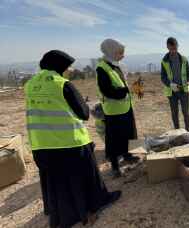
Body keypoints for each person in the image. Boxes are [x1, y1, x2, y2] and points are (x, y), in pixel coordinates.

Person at [25, 50, 121, 228]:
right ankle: (97, 202)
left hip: (41, 145)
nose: (69, 70)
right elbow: (84, 113)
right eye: (68, 67)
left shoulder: (30, 84)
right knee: (88, 177)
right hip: (69, 143)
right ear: (60, 66)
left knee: (58, 183)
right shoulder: (62, 84)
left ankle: (65, 215)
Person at [96, 39, 139, 178]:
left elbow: (121, 84)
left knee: (129, 133)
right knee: (114, 139)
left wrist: (131, 89)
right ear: (110, 52)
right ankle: (115, 166)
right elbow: (107, 91)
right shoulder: (102, 68)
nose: (123, 55)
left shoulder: (116, 66)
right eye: (120, 53)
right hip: (113, 110)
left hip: (125, 107)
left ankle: (128, 155)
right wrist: (126, 90)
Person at [161, 37, 189, 131]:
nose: (173, 51)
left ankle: (187, 130)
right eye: (171, 49)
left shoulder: (184, 59)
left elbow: (188, 72)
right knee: (174, 112)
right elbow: (163, 77)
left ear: (177, 46)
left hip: (184, 89)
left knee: (186, 112)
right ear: (167, 47)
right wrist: (171, 85)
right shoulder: (164, 61)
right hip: (172, 91)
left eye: (175, 48)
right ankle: (177, 131)